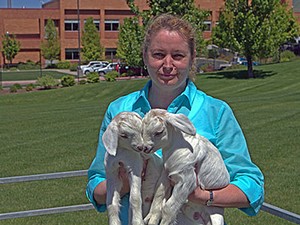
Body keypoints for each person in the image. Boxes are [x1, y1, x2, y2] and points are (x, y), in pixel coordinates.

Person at [86, 13, 264, 224]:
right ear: (145, 56)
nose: (168, 64)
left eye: (178, 56)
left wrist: (198, 195)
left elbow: (251, 186)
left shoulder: (216, 112)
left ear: (192, 58)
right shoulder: (119, 111)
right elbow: (96, 185)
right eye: (158, 54)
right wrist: (127, 181)